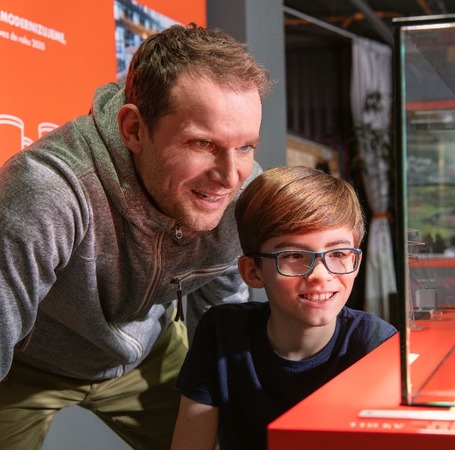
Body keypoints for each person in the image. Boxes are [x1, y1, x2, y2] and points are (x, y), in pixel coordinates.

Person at [0, 23, 272, 449]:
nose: (229, 176)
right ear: (133, 129)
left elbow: (219, 314)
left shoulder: (241, 195)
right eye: (203, 144)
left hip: (148, 352)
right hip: (29, 363)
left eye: (245, 147)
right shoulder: (48, 190)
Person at [170, 166, 397, 450]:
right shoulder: (221, 333)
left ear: (356, 263)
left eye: (338, 253)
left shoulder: (377, 344)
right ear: (253, 271)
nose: (320, 275)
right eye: (293, 255)